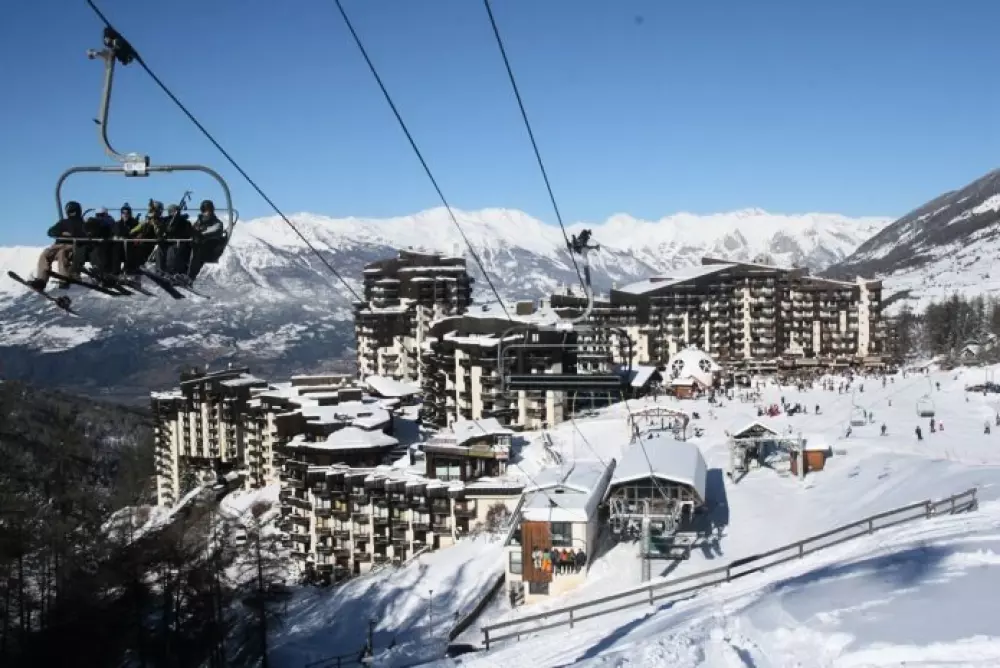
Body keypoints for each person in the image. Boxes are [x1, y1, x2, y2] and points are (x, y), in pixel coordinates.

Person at [30, 201, 86, 290]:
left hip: (71, 246)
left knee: (62, 253)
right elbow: (50, 231)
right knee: (46, 253)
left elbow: (84, 235)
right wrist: (61, 233)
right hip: (58, 245)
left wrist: (71, 235)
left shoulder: (82, 223)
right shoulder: (63, 222)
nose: (71, 214)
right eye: (70, 212)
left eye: (73, 211)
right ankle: (41, 280)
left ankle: (64, 278)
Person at [184, 199, 226, 283]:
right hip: (197, 245)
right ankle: (177, 272)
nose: (207, 213)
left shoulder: (216, 223)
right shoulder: (198, 222)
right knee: (182, 247)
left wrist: (201, 234)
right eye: (205, 211)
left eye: (209, 210)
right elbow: (192, 231)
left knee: (196, 250)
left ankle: (190, 277)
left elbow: (215, 230)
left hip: (209, 248)